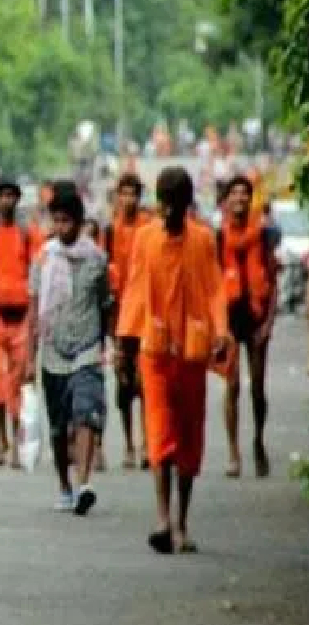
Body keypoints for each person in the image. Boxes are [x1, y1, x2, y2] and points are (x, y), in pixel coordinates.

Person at [117, 167, 230, 554]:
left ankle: (182, 521)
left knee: (189, 437)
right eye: (164, 205)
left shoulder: (203, 240)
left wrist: (220, 333)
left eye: (175, 206)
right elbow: (134, 289)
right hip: (154, 351)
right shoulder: (145, 240)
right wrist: (124, 344)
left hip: (193, 353)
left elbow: (215, 289)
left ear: (186, 205)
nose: (167, 213)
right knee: (159, 432)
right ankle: (163, 518)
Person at [26, 184, 110, 515]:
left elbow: (105, 303)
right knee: (59, 426)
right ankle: (65, 484)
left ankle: (85, 482)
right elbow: (34, 307)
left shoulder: (96, 259)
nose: (62, 228)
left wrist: (107, 342)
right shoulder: (44, 259)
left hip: (87, 349)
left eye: (67, 221)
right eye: (56, 221)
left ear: (79, 221)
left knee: (86, 412)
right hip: (53, 351)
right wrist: (29, 355)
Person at [0, 177, 41, 467]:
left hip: (21, 318)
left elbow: (37, 272)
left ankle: (16, 445)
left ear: (17, 199)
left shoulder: (28, 233)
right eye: (1, 195)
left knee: (16, 384)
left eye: (11, 195)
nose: (6, 200)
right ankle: (1, 440)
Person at [218, 175, 278, 478]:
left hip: (256, 316)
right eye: (234, 193)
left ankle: (258, 440)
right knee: (232, 386)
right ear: (227, 200)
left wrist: (269, 322)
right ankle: (233, 453)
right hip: (230, 318)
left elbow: (273, 278)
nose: (239, 199)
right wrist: (218, 327)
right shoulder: (219, 238)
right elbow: (212, 285)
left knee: (257, 387)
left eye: (244, 194)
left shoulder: (263, 234)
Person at [105, 173, 154, 470]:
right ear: (117, 197)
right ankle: (128, 444)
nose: (129, 200)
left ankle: (148, 443)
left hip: (145, 314)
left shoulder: (148, 228)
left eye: (134, 194)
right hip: (120, 315)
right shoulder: (111, 230)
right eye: (124, 194)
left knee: (145, 381)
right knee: (124, 383)